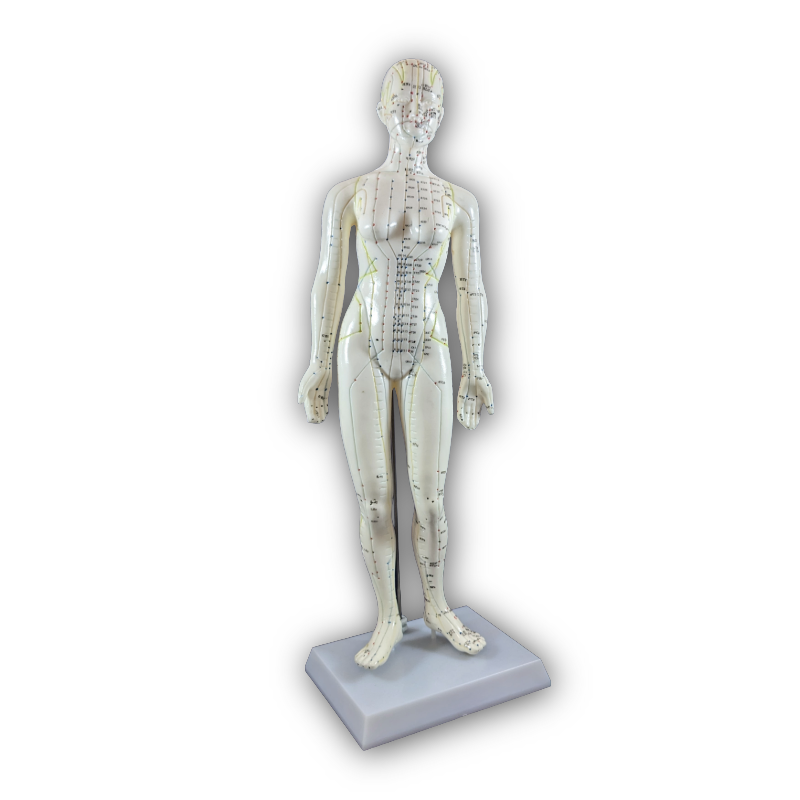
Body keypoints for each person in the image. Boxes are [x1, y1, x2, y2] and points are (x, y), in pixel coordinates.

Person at [298, 58, 494, 669]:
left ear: (442, 116)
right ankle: (388, 615)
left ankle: (436, 605)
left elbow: (471, 289)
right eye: (406, 102)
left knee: (430, 500)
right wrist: (318, 362)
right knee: (376, 501)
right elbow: (330, 279)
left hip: (429, 343)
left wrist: (476, 366)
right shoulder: (349, 194)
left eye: (428, 105)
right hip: (362, 340)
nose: (417, 114)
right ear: (384, 110)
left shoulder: (461, 203)